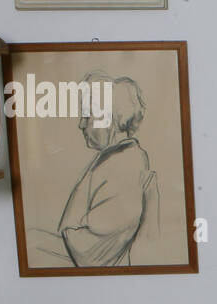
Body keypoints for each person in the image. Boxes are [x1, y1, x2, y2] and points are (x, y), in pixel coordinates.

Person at [53, 74, 155, 267]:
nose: (81, 124)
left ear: (111, 119)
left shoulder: (125, 164)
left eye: (87, 115)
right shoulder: (113, 160)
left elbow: (89, 254)